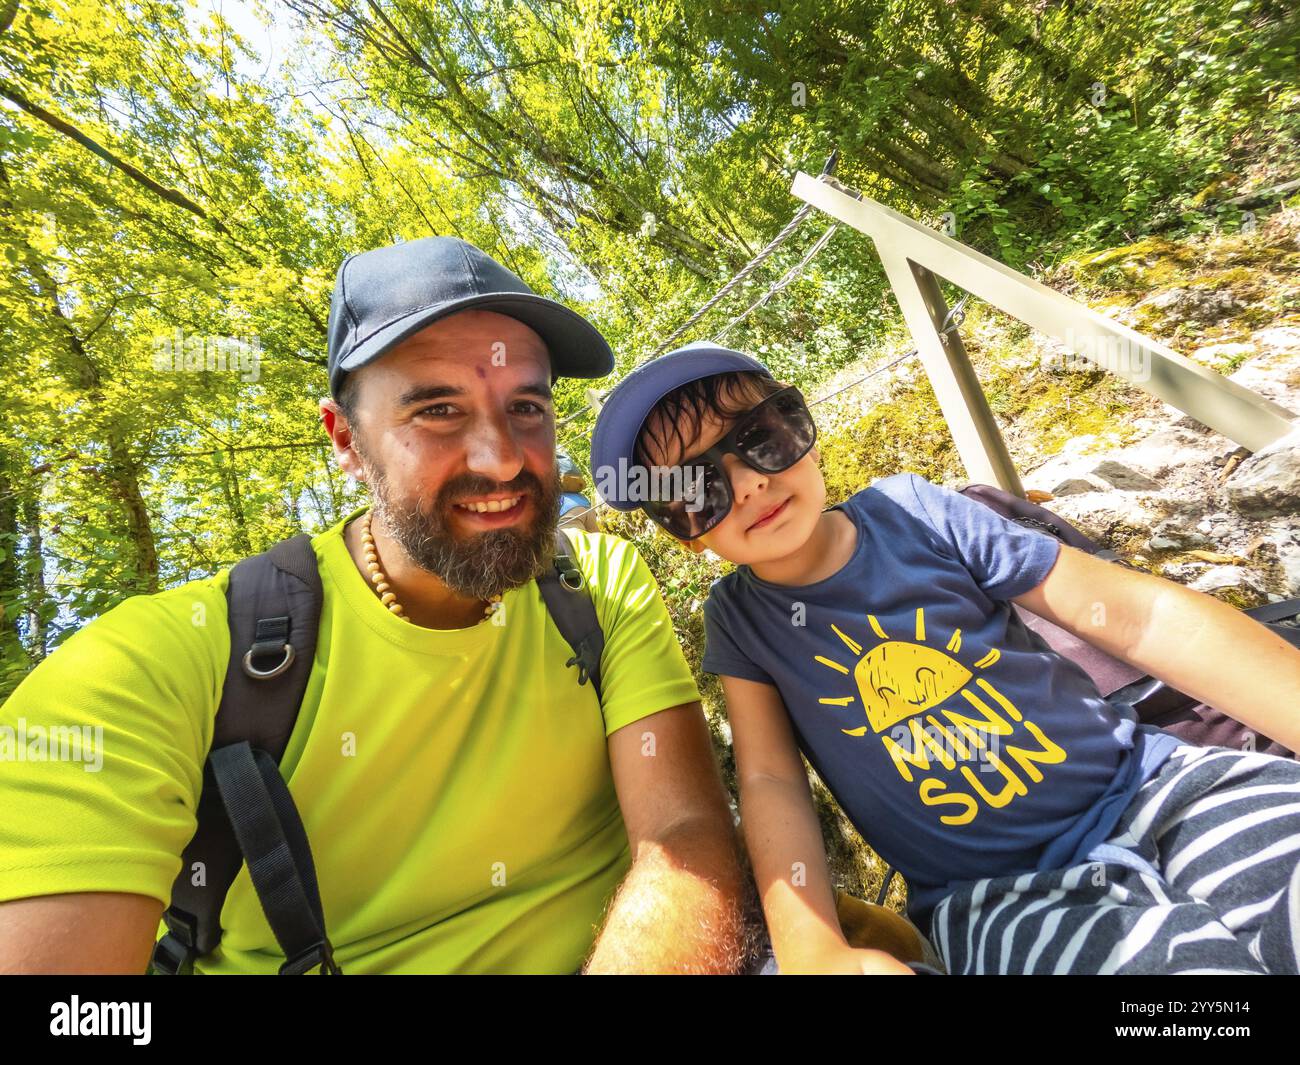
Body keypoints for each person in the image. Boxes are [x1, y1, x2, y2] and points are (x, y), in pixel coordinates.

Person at [0, 240, 751, 975]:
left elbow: (685, 832)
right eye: (438, 411)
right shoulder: (157, 665)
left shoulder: (598, 583)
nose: (503, 456)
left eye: (527, 404)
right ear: (347, 441)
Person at [589, 340, 1300, 975]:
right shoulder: (741, 622)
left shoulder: (916, 513)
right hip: (998, 899)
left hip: (1150, 785)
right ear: (683, 535)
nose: (747, 484)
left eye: (761, 438)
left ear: (801, 428)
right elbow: (773, 780)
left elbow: (1139, 618)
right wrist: (814, 947)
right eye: (697, 487)